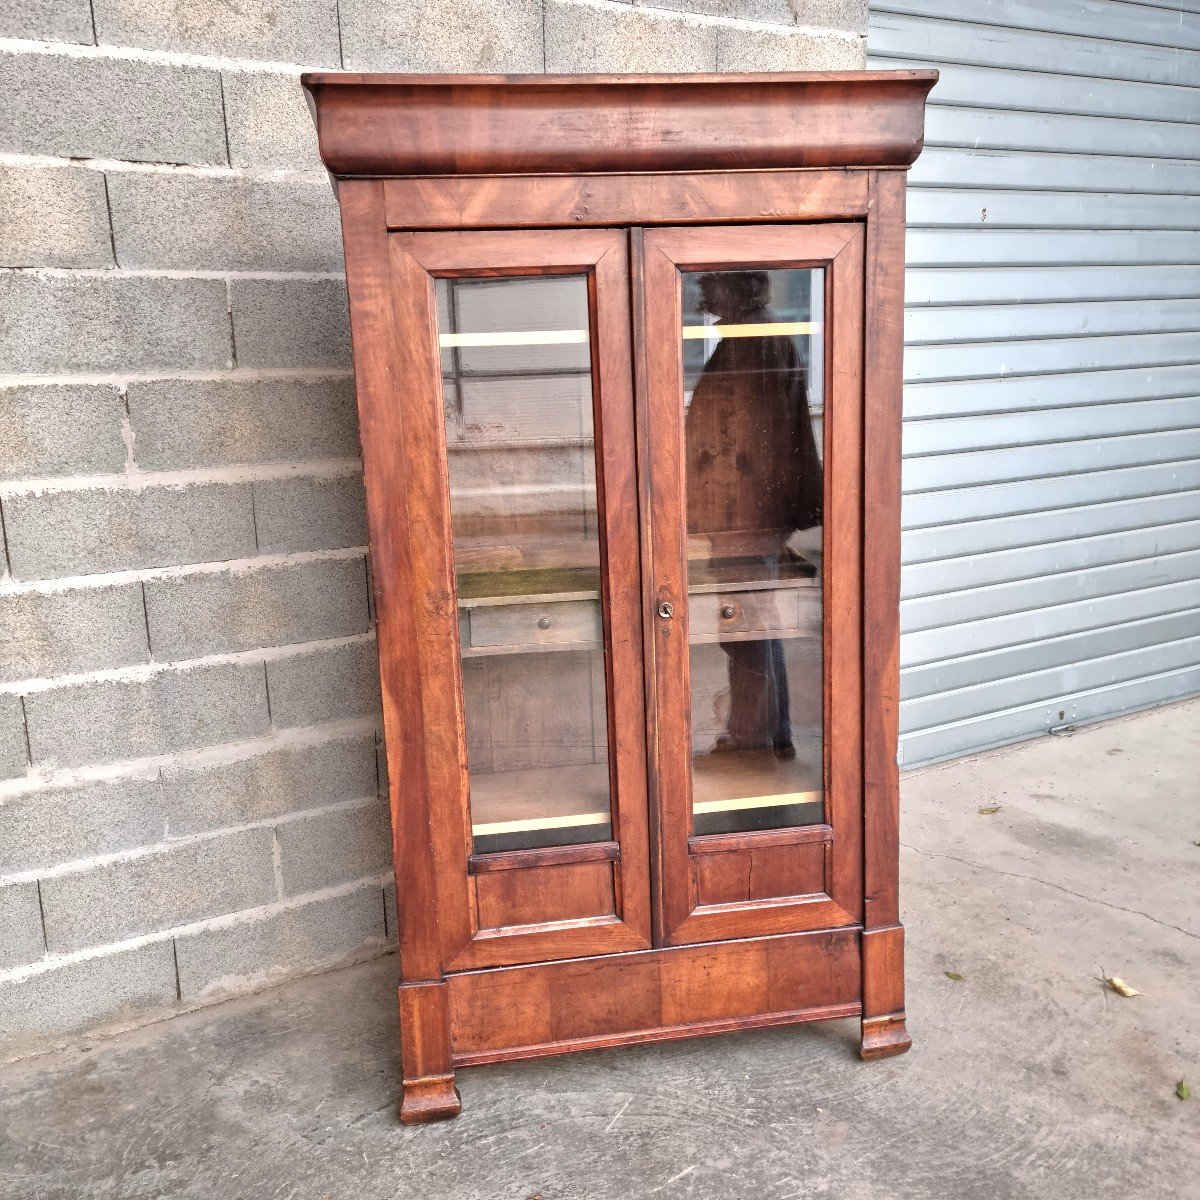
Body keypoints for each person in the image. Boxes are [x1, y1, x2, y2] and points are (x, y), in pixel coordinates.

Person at [685, 270, 823, 760]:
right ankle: (768, 733)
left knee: (746, 627)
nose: (701, 290)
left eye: (712, 283)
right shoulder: (753, 337)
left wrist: (720, 512)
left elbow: (742, 443)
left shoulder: (753, 341)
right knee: (753, 624)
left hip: (744, 515)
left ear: (738, 288)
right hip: (747, 513)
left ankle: (754, 738)